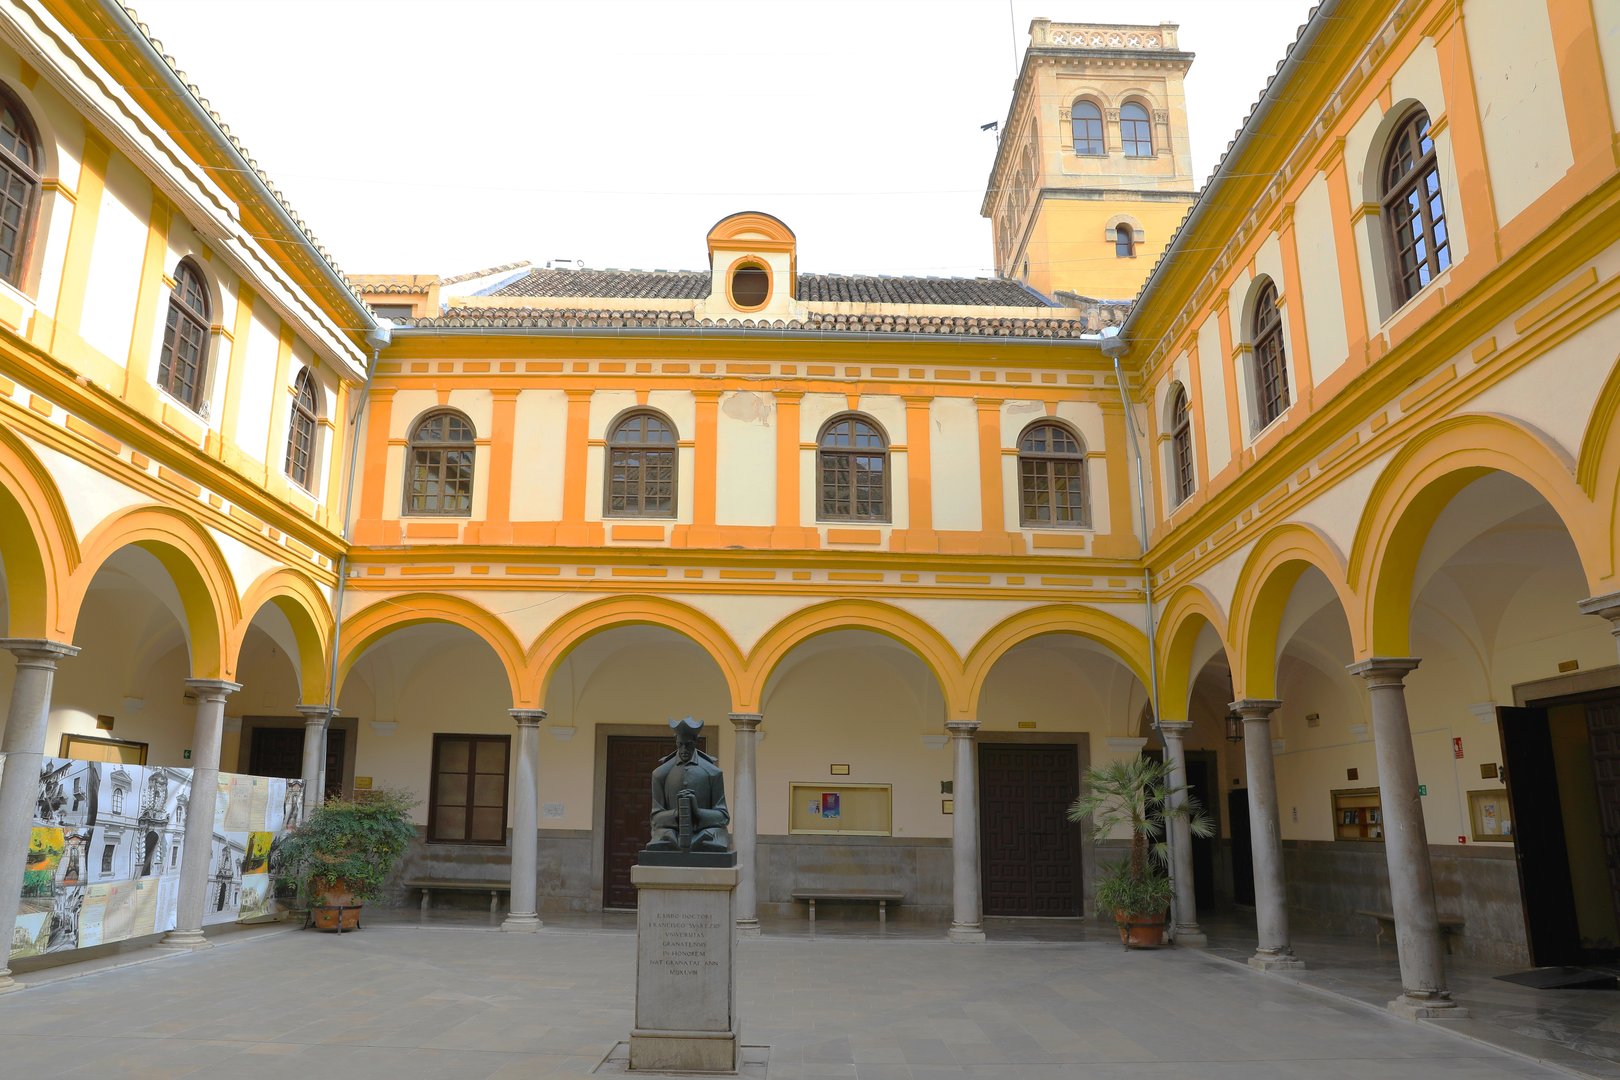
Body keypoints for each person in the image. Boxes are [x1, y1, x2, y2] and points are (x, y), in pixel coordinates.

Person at [646, 717, 730, 853]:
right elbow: (655, 819)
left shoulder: (713, 773)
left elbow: (723, 817)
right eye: (680, 744)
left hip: (705, 833)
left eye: (689, 745)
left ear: (696, 742)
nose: (684, 749)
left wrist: (697, 811)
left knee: (715, 837)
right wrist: (677, 813)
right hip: (671, 834)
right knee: (661, 837)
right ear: (676, 742)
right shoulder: (660, 774)